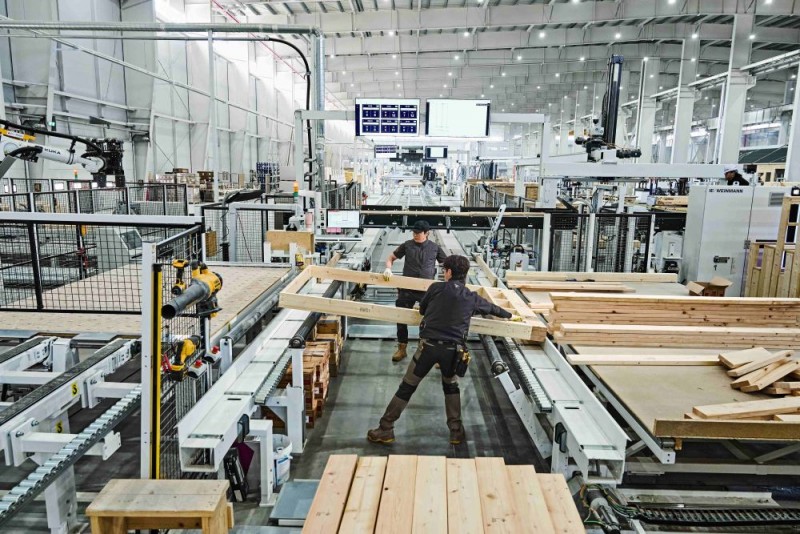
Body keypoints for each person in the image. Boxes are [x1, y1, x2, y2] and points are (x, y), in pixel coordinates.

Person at [368, 255, 514, 445]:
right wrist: (511, 316)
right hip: (453, 352)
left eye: (444, 270)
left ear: (449, 272)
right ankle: (456, 432)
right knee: (451, 387)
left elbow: (422, 310)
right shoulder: (471, 297)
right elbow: (494, 310)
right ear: (465, 274)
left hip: (428, 348)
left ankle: (385, 429)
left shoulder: (435, 288)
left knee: (407, 387)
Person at [383, 220, 447, 362]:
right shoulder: (407, 245)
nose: (415, 235)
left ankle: (423, 348)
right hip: (407, 289)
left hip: (426, 291)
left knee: (429, 320)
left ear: (427, 233)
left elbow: (447, 265)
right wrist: (388, 268)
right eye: (414, 232)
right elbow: (391, 257)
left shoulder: (434, 248)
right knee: (401, 317)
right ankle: (402, 348)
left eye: (418, 233)